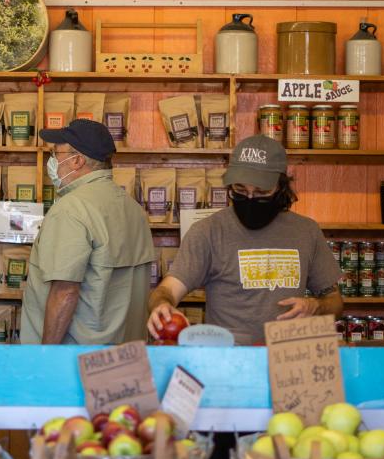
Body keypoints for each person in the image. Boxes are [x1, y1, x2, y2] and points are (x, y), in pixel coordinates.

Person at [147, 134, 344, 345]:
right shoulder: (207, 231)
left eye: (261, 192)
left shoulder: (307, 231)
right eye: (240, 190)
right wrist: (162, 305)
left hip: (287, 361)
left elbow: (335, 302)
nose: (250, 199)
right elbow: (167, 289)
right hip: (228, 362)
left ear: (281, 186)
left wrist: (316, 306)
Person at [20, 119, 155, 345]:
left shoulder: (71, 210)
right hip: (125, 357)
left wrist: (46, 357)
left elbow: (65, 292)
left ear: (77, 161)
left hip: (76, 362)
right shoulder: (134, 209)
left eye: (56, 153)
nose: (52, 161)